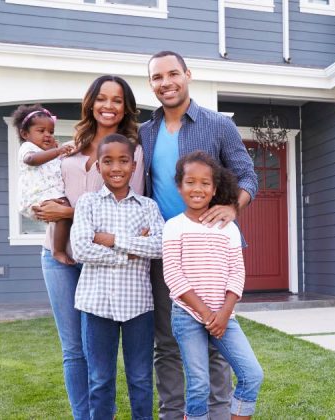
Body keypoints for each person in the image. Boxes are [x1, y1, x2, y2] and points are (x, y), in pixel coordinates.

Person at [141, 50, 258, 420]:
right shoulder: (145, 132)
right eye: (158, 77)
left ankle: (219, 414)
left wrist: (233, 207)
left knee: (215, 339)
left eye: (173, 74)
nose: (166, 83)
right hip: (167, 250)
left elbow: (247, 175)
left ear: (188, 75)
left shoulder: (218, 125)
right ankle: (175, 416)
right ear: (151, 84)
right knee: (168, 343)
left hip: (212, 247)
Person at [33, 74, 145, 420]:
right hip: (55, 253)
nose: (108, 106)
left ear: (125, 107)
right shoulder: (72, 143)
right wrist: (45, 205)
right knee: (72, 349)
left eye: (116, 100)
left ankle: (102, 412)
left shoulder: (130, 151)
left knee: (97, 352)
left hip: (99, 259)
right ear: (91, 102)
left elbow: (125, 212)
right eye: (102, 98)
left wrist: (66, 210)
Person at [164, 151, 263, 420]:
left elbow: (236, 273)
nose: (198, 188)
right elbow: (173, 275)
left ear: (215, 188)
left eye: (205, 183)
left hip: (224, 316)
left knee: (252, 374)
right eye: (190, 182)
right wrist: (208, 316)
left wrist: (223, 314)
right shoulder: (174, 227)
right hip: (188, 315)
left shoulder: (227, 227)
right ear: (179, 186)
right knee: (199, 384)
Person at [71, 133, 164, 419]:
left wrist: (110, 239)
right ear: (98, 166)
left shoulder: (147, 206)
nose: (116, 168)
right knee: (100, 380)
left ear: (133, 166)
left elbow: (160, 245)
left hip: (138, 307)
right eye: (108, 161)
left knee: (140, 379)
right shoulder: (88, 203)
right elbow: (80, 249)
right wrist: (133, 249)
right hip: (96, 305)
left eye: (123, 160)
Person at [12, 105, 75, 265]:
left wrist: (56, 152)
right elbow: (31, 160)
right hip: (37, 196)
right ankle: (58, 251)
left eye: (51, 132)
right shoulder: (28, 148)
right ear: (25, 134)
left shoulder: (48, 152)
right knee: (64, 210)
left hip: (49, 194)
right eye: (41, 131)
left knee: (62, 213)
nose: (47, 135)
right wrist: (57, 151)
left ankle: (58, 247)